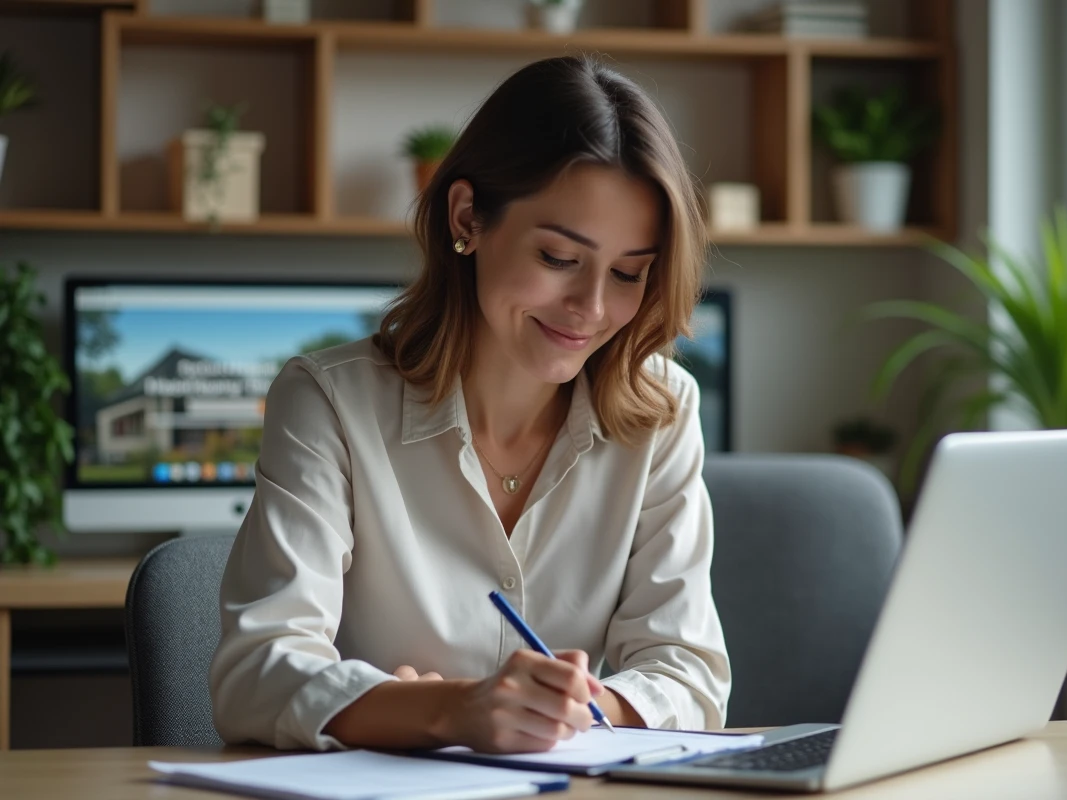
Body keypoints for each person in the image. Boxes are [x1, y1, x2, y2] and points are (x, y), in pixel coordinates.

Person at [209, 54, 730, 755]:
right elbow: (255, 674)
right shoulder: (329, 401)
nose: (593, 308)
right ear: (467, 217)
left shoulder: (661, 411)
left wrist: (566, 705)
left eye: (630, 272)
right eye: (557, 258)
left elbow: (691, 674)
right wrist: (452, 709)